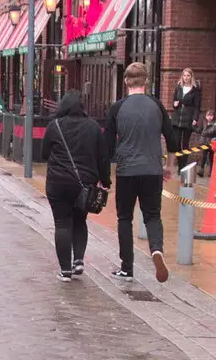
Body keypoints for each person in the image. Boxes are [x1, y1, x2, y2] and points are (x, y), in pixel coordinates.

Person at [105, 62, 177, 284]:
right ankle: (156, 250)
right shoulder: (157, 106)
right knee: (152, 215)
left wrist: (104, 176)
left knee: (124, 218)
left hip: (127, 171)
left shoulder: (117, 108)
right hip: (153, 170)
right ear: (146, 81)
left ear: (126, 81)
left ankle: (127, 268)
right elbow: (172, 140)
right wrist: (169, 166)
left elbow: (107, 146)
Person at [44, 91, 109, 280]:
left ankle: (65, 271)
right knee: (80, 220)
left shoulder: (54, 126)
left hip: (58, 182)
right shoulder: (93, 127)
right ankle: (78, 260)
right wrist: (105, 181)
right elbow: (103, 157)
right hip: (84, 184)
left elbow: (43, 153)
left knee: (62, 223)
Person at [170, 68, 202, 157]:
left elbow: (197, 106)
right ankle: (178, 163)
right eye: (184, 75)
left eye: (188, 75)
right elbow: (174, 100)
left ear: (191, 77)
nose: (186, 77)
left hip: (188, 118)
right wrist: (174, 104)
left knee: (185, 145)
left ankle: (182, 167)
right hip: (177, 118)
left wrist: (195, 118)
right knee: (176, 143)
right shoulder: (178, 87)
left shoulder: (195, 90)